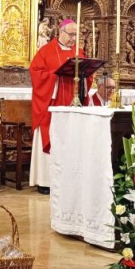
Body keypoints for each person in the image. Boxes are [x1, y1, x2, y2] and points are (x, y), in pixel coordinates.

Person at [29, 18, 90, 194]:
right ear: (60, 32)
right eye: (71, 34)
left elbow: (86, 75)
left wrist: (86, 75)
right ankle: (45, 182)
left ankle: (69, 180)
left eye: (76, 35)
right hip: (51, 105)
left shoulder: (78, 52)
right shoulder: (46, 51)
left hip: (72, 105)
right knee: (50, 137)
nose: (73, 39)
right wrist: (55, 76)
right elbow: (36, 74)